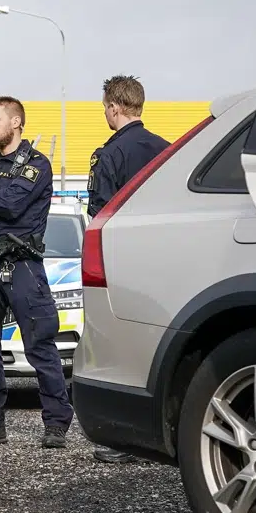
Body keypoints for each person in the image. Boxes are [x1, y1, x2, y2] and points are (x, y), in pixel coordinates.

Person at [0, 96, 73, 449]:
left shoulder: (37, 164)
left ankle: (56, 423)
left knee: (40, 345)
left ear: (16, 122)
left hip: (21, 265)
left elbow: (14, 205)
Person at [86, 75, 170, 464]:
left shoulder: (110, 154)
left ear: (114, 108)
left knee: (121, 351)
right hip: (163, 265)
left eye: (105, 107)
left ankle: (126, 440)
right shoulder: (168, 149)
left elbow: (99, 215)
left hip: (124, 263)